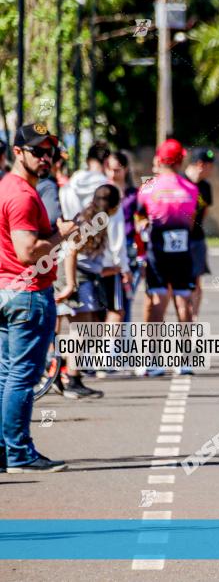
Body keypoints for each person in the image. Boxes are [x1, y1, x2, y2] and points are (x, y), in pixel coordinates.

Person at [0, 123, 79, 473]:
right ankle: (19, 453)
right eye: (37, 151)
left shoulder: (6, 187)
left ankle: (6, 450)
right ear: (18, 152)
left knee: (6, 376)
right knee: (21, 377)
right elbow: (29, 250)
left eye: (50, 152)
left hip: (8, 291)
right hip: (27, 293)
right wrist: (60, 235)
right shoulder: (21, 195)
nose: (46, 158)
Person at [137, 139, 199, 376]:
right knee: (183, 302)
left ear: (159, 160)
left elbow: (140, 219)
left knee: (156, 304)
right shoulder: (191, 188)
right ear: (181, 160)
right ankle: (185, 360)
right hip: (182, 253)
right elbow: (192, 221)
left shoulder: (149, 188)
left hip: (157, 253)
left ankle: (153, 361)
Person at [55, 185, 122, 397]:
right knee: (82, 330)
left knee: (86, 329)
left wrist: (109, 269)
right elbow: (71, 250)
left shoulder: (93, 219)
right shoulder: (92, 223)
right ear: (114, 206)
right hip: (74, 275)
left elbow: (90, 259)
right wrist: (70, 284)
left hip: (81, 275)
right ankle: (71, 379)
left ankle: (59, 370)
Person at [61, 143, 130, 328]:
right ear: (107, 161)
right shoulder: (108, 189)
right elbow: (116, 231)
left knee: (83, 323)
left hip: (74, 261)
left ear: (87, 160)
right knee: (114, 311)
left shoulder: (69, 186)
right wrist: (122, 265)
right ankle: (105, 355)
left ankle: (59, 354)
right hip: (103, 263)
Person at [105, 151, 142, 322]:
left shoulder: (134, 194)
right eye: (110, 169)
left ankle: (124, 339)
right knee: (109, 300)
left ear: (125, 170)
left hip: (128, 247)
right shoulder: (102, 192)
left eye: (117, 170)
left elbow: (141, 217)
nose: (113, 174)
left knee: (126, 296)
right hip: (106, 249)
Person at [184, 148, 215, 320]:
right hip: (180, 240)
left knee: (196, 282)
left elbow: (204, 212)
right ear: (200, 165)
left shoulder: (205, 187)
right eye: (210, 166)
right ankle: (183, 317)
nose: (212, 170)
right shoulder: (181, 182)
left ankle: (193, 319)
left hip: (197, 240)